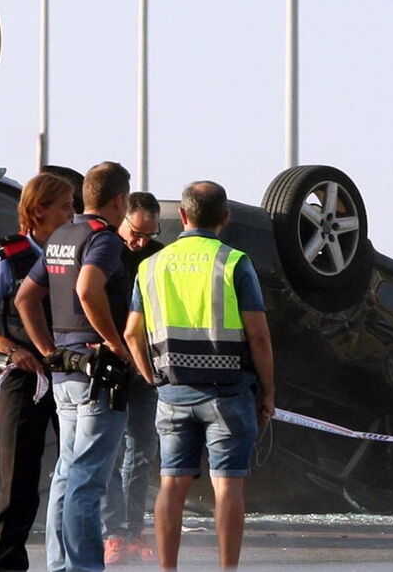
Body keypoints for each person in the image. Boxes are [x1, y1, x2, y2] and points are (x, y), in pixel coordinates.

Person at [124, 181, 275, 571]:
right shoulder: (234, 263)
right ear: (225, 219)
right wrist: (269, 393)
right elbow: (257, 334)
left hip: (172, 393)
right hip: (228, 394)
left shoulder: (151, 266)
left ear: (184, 216)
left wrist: (151, 378)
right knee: (227, 486)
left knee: (171, 484)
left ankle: (168, 568)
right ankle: (227, 569)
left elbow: (130, 333)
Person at [15, 161, 135, 572]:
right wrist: (117, 345)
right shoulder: (103, 239)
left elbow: (25, 298)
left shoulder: (62, 236)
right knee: (88, 480)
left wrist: (49, 350)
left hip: (65, 372)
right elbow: (88, 288)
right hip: (97, 377)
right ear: (120, 200)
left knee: (66, 474)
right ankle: (84, 567)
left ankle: (59, 563)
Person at [0, 172, 75, 572]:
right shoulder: (6, 259)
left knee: (76, 471)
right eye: (64, 206)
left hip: (70, 374)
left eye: (73, 205)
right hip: (23, 377)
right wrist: (12, 350)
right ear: (39, 211)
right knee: (19, 482)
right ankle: (8, 564)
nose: (72, 213)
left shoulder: (74, 254)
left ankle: (69, 559)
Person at [101, 193, 163, 564]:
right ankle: (113, 532)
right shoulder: (105, 248)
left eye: (147, 235)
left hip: (145, 364)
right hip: (110, 360)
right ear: (122, 219)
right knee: (110, 450)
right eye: (135, 233)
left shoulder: (157, 255)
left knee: (142, 449)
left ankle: (135, 527)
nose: (139, 242)